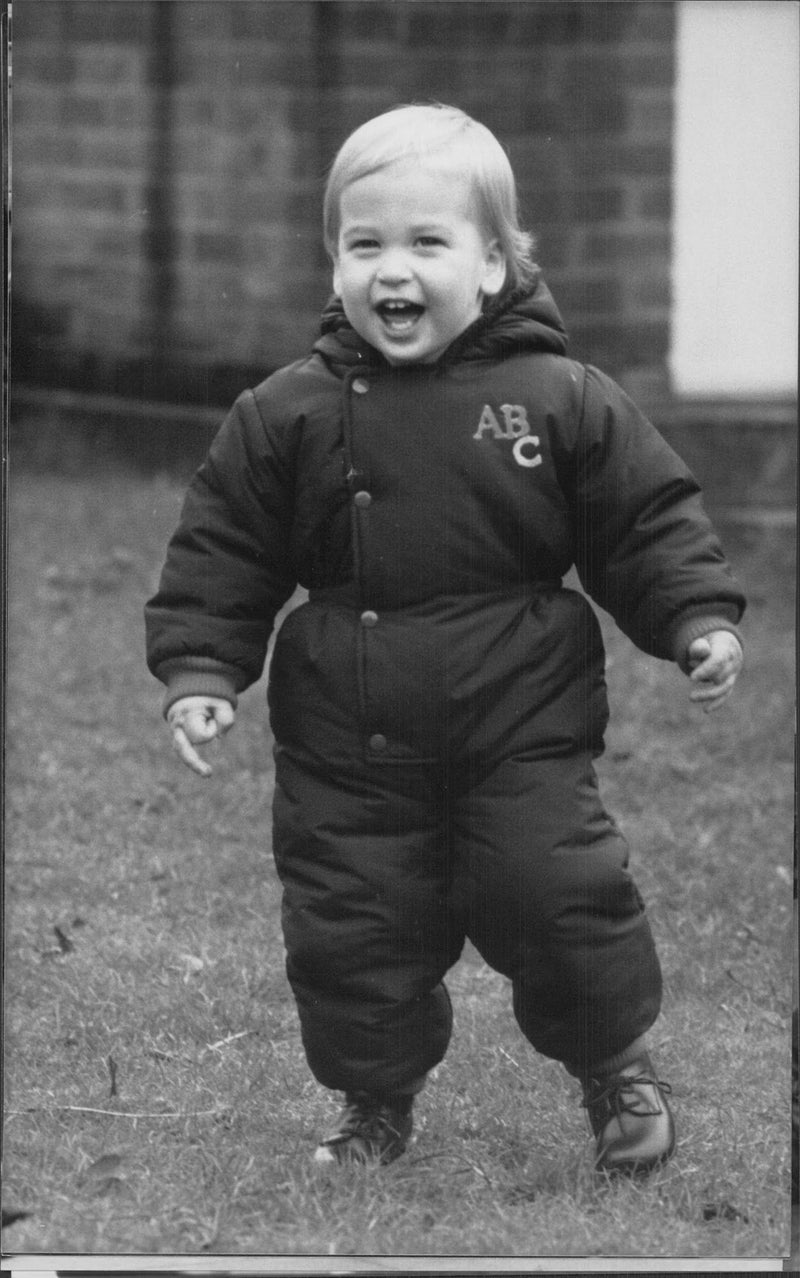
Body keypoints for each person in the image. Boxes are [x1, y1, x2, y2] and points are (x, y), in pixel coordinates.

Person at [145, 103, 745, 1177]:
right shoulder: (285, 413)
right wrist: (201, 669)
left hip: (520, 725)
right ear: (331, 261)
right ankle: (374, 1105)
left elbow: (642, 520)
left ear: (495, 261)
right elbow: (223, 547)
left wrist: (693, 617)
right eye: (363, 243)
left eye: (427, 243)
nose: (393, 271)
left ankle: (614, 1063)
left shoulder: (559, 398)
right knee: (350, 928)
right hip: (348, 740)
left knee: (559, 896)